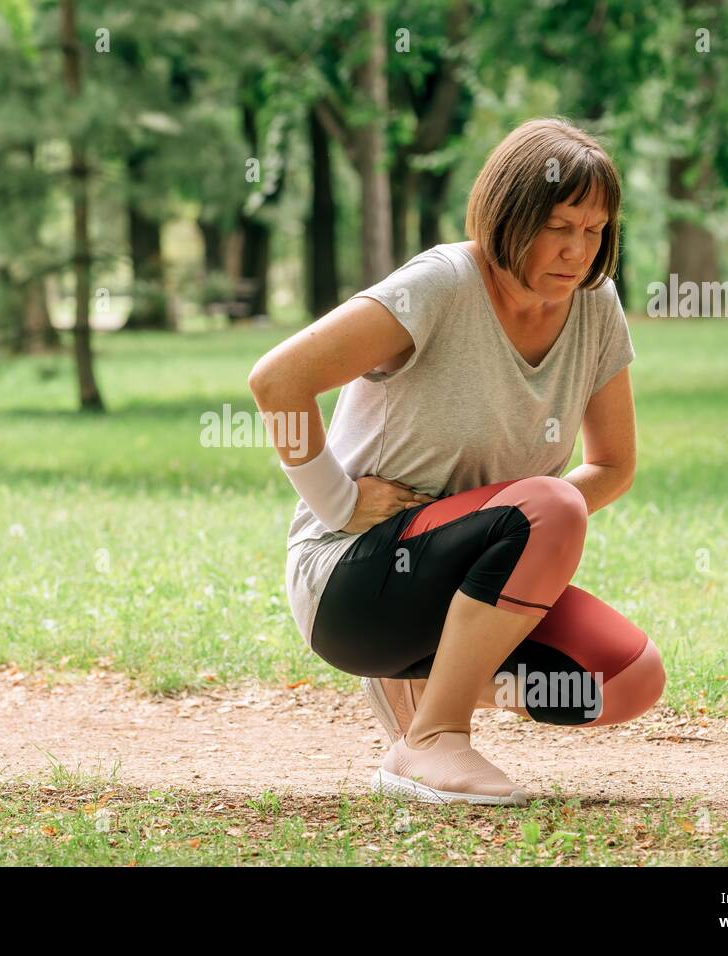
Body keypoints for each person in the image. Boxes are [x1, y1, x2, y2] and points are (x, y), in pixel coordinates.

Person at [248, 117, 666, 806]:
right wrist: (339, 503)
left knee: (626, 678)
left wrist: (521, 530)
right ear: (510, 214)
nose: (578, 251)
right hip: (354, 584)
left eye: (594, 231)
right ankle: (435, 736)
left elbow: (614, 465)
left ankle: (424, 689)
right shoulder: (442, 285)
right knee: (550, 502)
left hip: (461, 585)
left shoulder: (595, 306)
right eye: (561, 226)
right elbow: (277, 380)